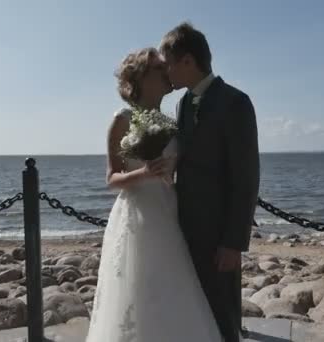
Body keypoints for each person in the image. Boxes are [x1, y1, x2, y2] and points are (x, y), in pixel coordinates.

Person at [85, 47, 223, 342]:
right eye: (161, 69)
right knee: (137, 288)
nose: (168, 72)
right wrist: (144, 173)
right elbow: (112, 179)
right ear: (142, 77)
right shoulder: (122, 119)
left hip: (168, 211)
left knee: (172, 287)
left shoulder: (173, 122)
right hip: (136, 215)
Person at [160, 22, 260, 342]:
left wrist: (233, 241)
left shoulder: (236, 102)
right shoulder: (182, 104)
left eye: (169, 65)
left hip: (219, 234)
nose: (166, 74)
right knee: (194, 308)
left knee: (223, 311)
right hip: (185, 226)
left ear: (188, 61)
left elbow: (246, 176)